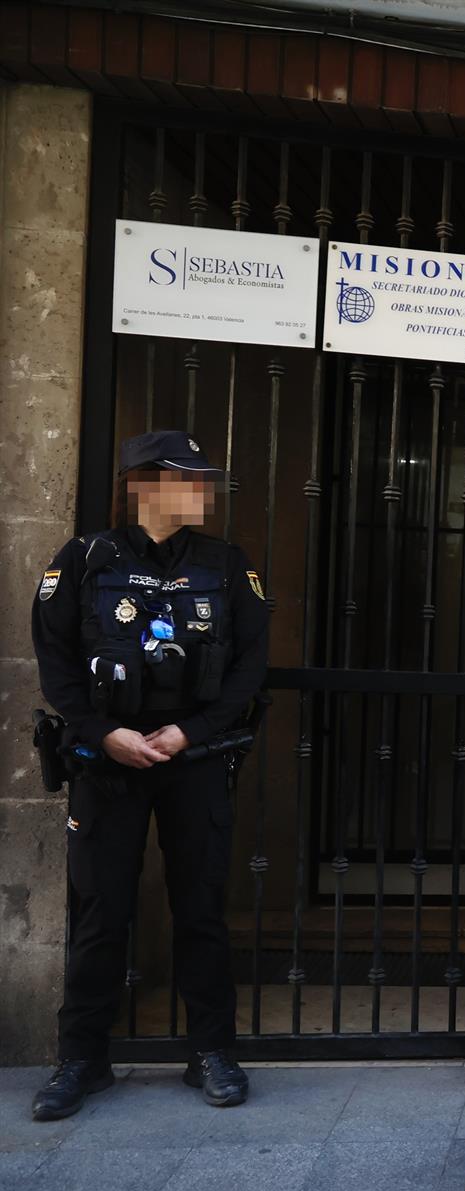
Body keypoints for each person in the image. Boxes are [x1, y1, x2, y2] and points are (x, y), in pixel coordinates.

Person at [29, 431, 269, 1120]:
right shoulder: (84, 561)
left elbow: (249, 668)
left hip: (192, 760)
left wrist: (191, 731)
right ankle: (82, 1059)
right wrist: (105, 733)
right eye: (188, 478)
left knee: (201, 907)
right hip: (108, 763)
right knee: (101, 910)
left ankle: (211, 1052)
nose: (204, 491)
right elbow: (57, 663)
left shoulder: (226, 567)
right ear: (144, 484)